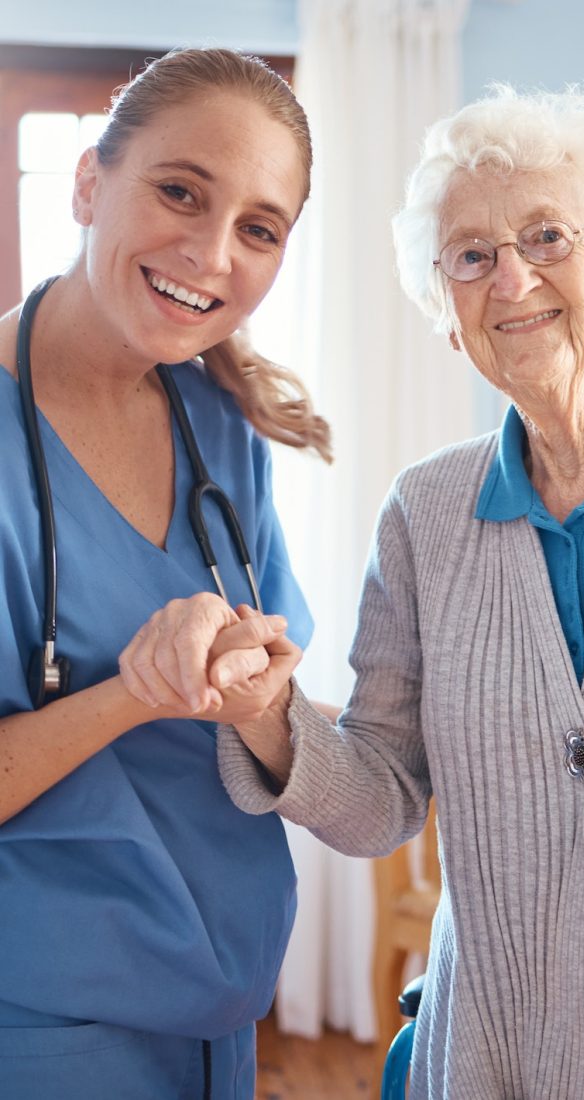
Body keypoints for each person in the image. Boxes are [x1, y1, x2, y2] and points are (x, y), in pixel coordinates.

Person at [125, 86, 584, 1098]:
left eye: (545, 235)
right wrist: (266, 716)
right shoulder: (423, 516)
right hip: (492, 1059)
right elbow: (379, 801)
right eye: (470, 256)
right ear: (446, 315)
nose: (510, 276)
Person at [0, 47, 332, 1099]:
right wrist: (133, 695)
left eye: (258, 228)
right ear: (90, 182)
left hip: (222, 1007)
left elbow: (261, 699)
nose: (211, 250)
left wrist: (255, 681)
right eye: (180, 191)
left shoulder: (219, 431)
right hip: (43, 1019)